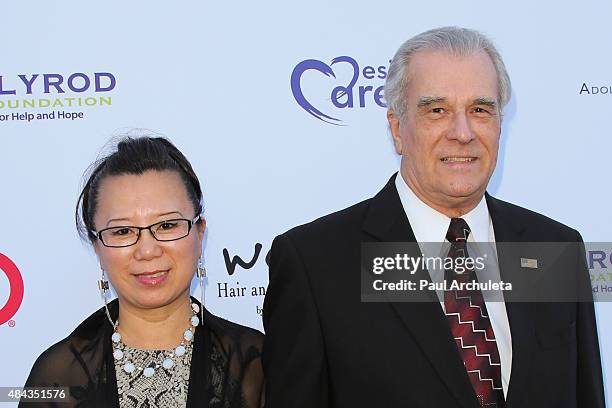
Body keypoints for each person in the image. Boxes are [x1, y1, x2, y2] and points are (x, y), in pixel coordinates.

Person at [262, 27, 605, 408]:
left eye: (480, 109)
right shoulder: (316, 263)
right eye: (437, 110)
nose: (462, 133)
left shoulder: (555, 248)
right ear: (397, 129)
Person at [22, 135, 265, 407]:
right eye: (122, 231)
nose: (147, 250)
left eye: (167, 225)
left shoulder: (255, 363)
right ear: (97, 248)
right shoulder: (57, 376)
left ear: (199, 233)